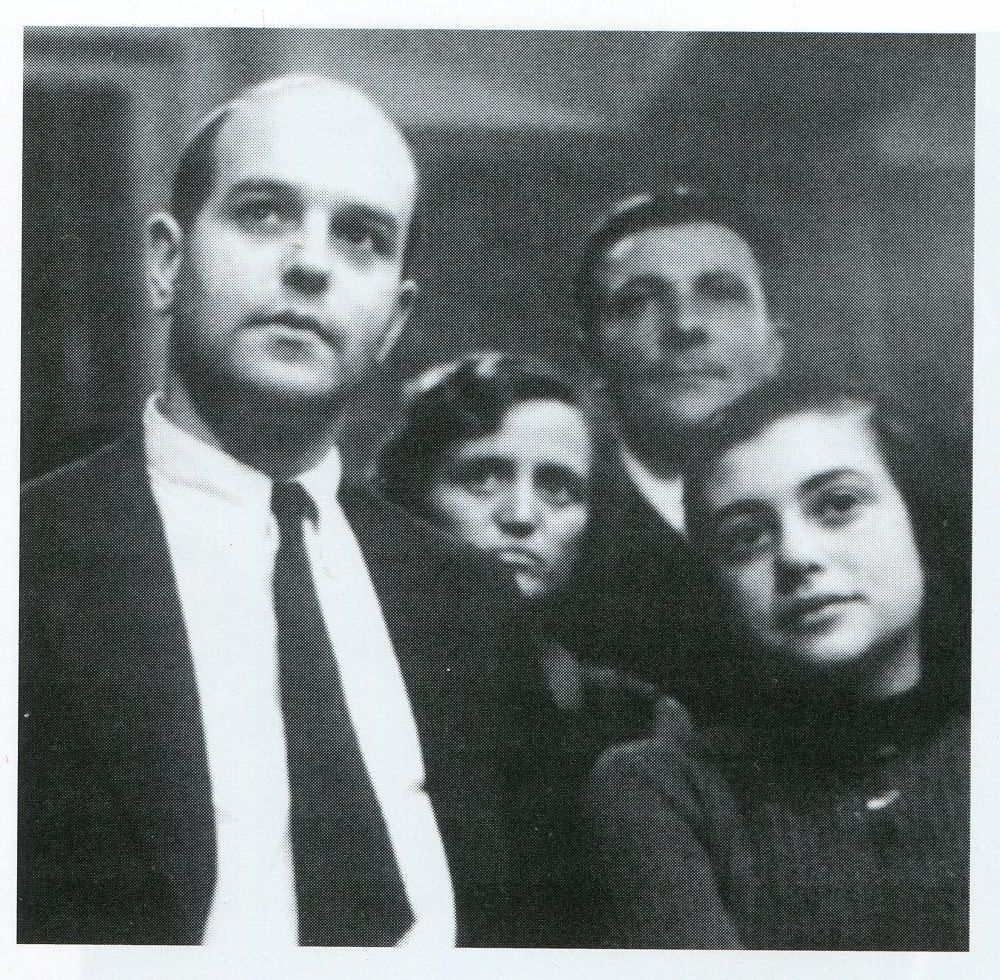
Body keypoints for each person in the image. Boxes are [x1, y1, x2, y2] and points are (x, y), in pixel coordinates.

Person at [18, 75, 555, 948]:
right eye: (264, 213)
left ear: (393, 322)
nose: (311, 264)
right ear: (166, 262)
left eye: (361, 236)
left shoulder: (470, 603)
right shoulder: (28, 559)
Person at [584, 372, 970, 949]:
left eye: (838, 505)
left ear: (918, 515)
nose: (796, 555)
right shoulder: (662, 791)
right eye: (746, 538)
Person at [574, 186, 786, 706]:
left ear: (774, 340)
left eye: (721, 294)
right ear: (592, 351)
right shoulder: (560, 538)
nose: (685, 326)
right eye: (638, 302)